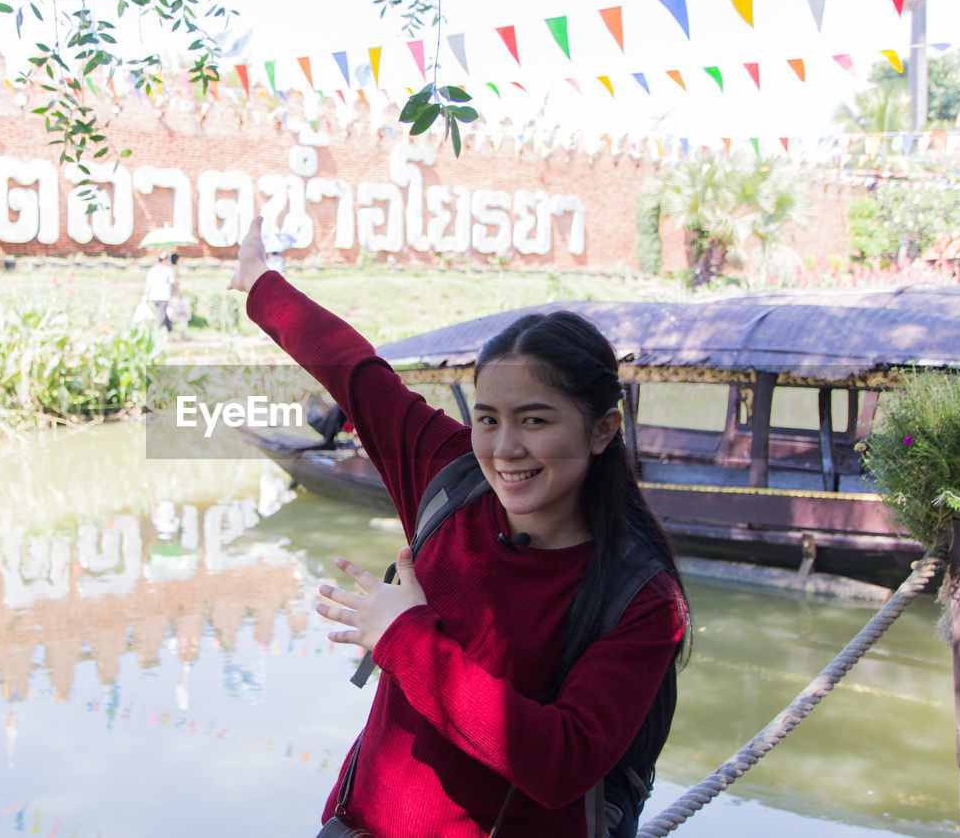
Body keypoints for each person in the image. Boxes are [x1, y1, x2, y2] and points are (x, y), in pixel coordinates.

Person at [229, 216, 690, 838]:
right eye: (488, 418)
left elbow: (559, 761)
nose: (504, 449)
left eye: (535, 421)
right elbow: (355, 372)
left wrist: (404, 636)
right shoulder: (453, 474)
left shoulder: (642, 602)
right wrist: (261, 284)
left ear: (603, 429)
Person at [145, 252, 179, 334]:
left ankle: (170, 333)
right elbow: (174, 282)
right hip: (164, 296)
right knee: (161, 315)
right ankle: (155, 334)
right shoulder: (168, 270)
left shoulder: (152, 270)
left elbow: (148, 284)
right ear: (164, 260)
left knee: (163, 313)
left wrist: (146, 295)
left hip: (153, 296)